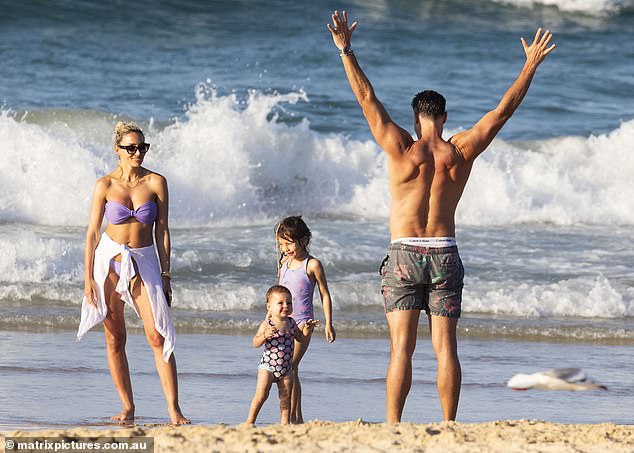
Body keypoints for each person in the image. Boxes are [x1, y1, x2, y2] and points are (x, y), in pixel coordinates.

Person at [328, 10, 555, 422]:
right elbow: (503, 112)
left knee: (401, 349)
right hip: (445, 254)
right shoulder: (461, 151)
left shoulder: (401, 148)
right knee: (445, 347)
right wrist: (529, 65)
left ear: (416, 119)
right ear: (444, 118)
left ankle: (394, 426)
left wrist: (345, 49)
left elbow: (366, 99)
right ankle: (449, 425)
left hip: (403, 256)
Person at [77, 121, 190, 425]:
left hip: (144, 260)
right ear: (118, 151)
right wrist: (88, 278)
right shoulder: (104, 185)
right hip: (109, 260)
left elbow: (163, 230)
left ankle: (174, 410)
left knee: (157, 334)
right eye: (131, 148)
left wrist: (166, 274)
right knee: (115, 337)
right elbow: (91, 234)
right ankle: (127, 407)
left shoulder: (156, 182)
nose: (138, 152)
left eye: (142, 146)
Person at [275, 216, 336, 423]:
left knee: (289, 366)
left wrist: (329, 323)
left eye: (289, 243)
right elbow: (278, 295)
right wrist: (269, 320)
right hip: (284, 322)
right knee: (289, 369)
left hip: (304, 323)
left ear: (304, 240)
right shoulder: (284, 262)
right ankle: (295, 417)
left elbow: (325, 294)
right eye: (282, 244)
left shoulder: (312, 265)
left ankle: (293, 416)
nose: (285, 248)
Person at [246, 285, 318, 425]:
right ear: (269, 307)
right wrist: (264, 336)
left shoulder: (291, 323)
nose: (286, 306)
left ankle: (284, 423)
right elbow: (255, 342)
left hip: (286, 369)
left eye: (289, 303)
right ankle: (250, 421)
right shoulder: (268, 324)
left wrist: (307, 330)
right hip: (268, 367)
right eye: (280, 303)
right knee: (261, 396)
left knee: (285, 398)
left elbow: (300, 339)